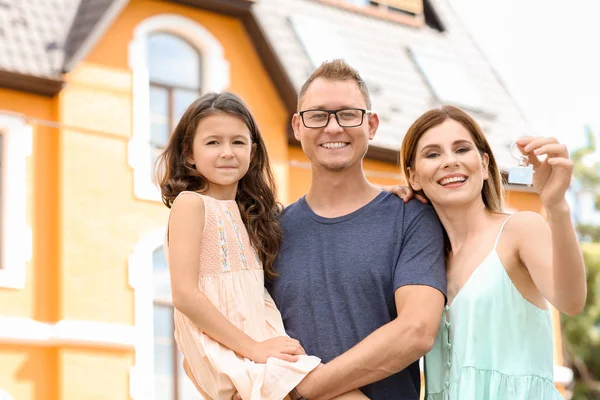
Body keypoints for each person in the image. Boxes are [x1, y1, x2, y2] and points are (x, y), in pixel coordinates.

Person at [157, 91, 369, 400]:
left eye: (238, 142)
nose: (227, 152)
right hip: (231, 349)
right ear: (189, 153)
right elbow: (185, 295)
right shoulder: (191, 205)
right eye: (213, 142)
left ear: (253, 152)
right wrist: (254, 349)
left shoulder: (252, 216)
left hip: (263, 343)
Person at [267, 59, 447, 400]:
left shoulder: (412, 216)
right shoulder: (270, 231)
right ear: (297, 127)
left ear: (372, 124)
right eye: (318, 115)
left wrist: (306, 389)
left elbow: (417, 331)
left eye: (348, 114)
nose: (333, 128)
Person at [398, 105, 587, 399]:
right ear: (414, 177)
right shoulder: (424, 262)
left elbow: (571, 301)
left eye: (461, 149)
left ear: (484, 165)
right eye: (433, 154)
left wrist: (556, 205)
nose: (450, 161)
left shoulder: (519, 230)